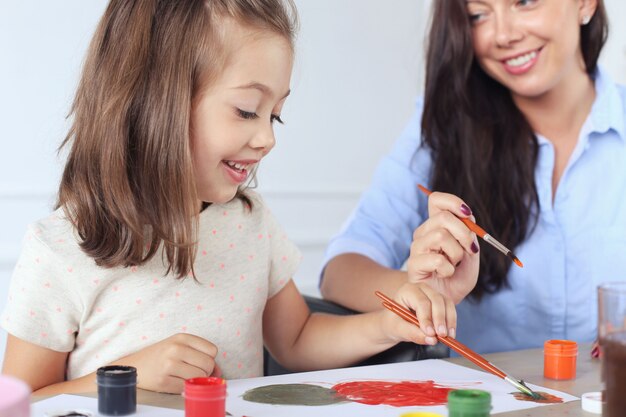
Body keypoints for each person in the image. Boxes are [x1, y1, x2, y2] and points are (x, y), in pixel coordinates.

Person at [0, 0, 458, 395]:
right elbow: (23, 403)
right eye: (246, 111)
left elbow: (296, 339)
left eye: (274, 117)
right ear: (157, 98)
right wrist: (126, 376)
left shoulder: (250, 224)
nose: (266, 139)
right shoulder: (61, 247)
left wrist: (387, 324)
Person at [321, 0, 626, 354]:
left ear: (586, 4)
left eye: (524, 3)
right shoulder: (443, 127)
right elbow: (340, 271)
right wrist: (419, 293)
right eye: (477, 15)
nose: (503, 35)